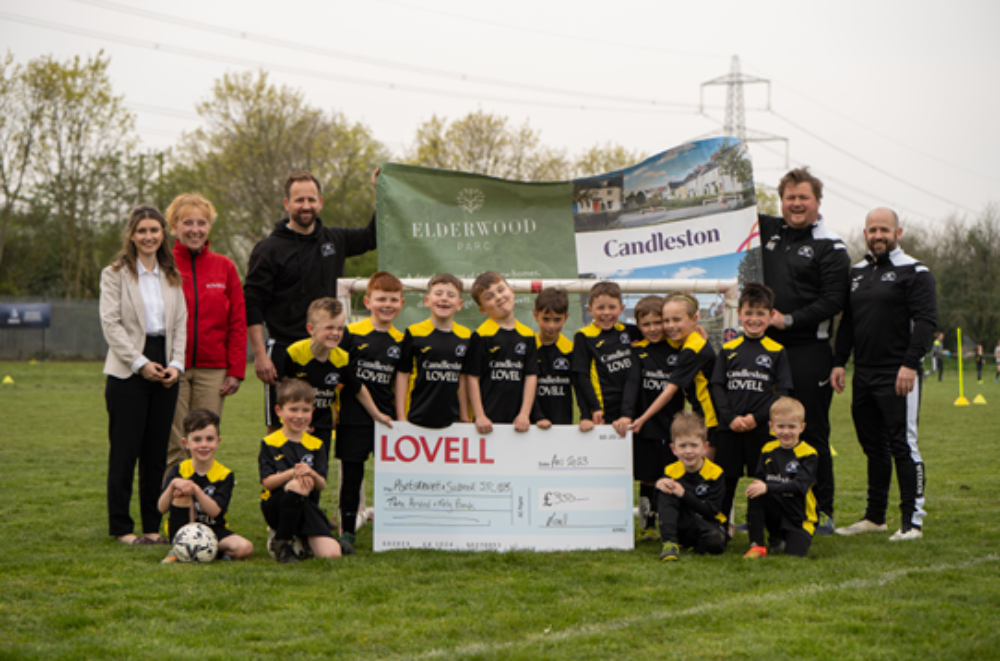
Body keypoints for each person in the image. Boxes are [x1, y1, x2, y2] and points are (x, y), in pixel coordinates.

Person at [244, 170, 377, 434]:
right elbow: (252, 303)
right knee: (280, 427)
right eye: (299, 200)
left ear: (321, 202)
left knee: (320, 425)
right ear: (286, 204)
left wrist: (380, 191)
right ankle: (279, 476)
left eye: (311, 200)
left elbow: (372, 236)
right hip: (285, 350)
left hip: (324, 350)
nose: (306, 206)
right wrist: (260, 355)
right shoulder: (268, 249)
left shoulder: (335, 239)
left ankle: (312, 476)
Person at [831, 207, 935, 542]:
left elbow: (925, 323)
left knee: (904, 444)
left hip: (899, 373)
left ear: (898, 233)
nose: (878, 235)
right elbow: (847, 324)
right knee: (873, 447)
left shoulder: (916, 271)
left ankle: (912, 522)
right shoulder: (857, 272)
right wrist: (838, 361)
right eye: (872, 230)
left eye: (884, 230)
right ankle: (875, 517)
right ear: (865, 234)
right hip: (863, 374)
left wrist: (909, 364)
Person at [759, 167, 851, 535]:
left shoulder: (831, 245)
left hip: (809, 350)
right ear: (780, 201)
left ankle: (823, 510)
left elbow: (834, 301)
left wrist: (790, 320)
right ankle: (774, 506)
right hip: (764, 350)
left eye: (803, 198)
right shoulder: (767, 231)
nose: (796, 204)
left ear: (817, 201)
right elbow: (734, 206)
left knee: (811, 432)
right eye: (789, 197)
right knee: (770, 430)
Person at [100, 205, 186, 546]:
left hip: (166, 364)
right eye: (142, 231)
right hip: (127, 370)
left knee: (156, 454)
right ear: (131, 235)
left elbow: (180, 323)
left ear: (163, 234)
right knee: (125, 452)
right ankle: (122, 528)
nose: (148, 236)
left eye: (154, 230)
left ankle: (153, 526)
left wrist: (175, 365)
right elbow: (111, 324)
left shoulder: (171, 272)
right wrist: (140, 363)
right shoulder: (115, 273)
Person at [164, 193, 246, 476]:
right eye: (187, 222)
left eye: (202, 223)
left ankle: (202, 508)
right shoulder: (162, 265)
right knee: (175, 443)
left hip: (214, 371)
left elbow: (237, 321)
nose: (195, 229)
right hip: (173, 366)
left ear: (209, 226)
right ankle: (173, 512)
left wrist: (235, 370)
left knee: (202, 443)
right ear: (174, 226)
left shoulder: (225, 267)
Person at [710, 283, 793, 532]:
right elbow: (717, 386)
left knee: (764, 480)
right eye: (749, 313)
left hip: (759, 430)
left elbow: (784, 392)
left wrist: (756, 418)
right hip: (730, 429)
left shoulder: (777, 351)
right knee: (726, 481)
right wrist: (731, 417)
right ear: (740, 314)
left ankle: (769, 530)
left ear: (770, 316)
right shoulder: (728, 349)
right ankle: (721, 527)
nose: (754, 319)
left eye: (760, 314)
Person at [338, 271, 405, 550]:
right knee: (352, 476)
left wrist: (401, 416)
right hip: (354, 418)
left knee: (390, 475)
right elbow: (342, 375)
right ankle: (347, 530)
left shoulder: (402, 340)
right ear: (367, 301)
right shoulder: (351, 334)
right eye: (381, 299)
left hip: (386, 419)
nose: (387, 305)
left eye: (393, 300)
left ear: (401, 303)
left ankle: (393, 526)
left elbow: (401, 379)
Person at [282, 298, 391, 454]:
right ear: (310, 328)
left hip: (323, 425)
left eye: (340, 328)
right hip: (294, 424)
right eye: (329, 328)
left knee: (319, 473)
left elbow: (357, 387)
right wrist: (293, 422)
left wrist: (377, 414)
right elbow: (282, 392)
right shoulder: (294, 353)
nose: (335, 333)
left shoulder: (342, 358)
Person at [259, 378, 345, 563]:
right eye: (293, 409)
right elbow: (267, 482)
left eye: (305, 410)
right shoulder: (270, 442)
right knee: (298, 485)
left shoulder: (316, 445)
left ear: (312, 412)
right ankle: (282, 541)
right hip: (276, 508)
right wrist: (292, 473)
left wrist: (311, 473)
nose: (300, 415)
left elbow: (321, 485)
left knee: (332, 554)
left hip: (307, 507)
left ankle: (315, 537)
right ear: (278, 411)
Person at [617, 295, 680, 541]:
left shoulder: (679, 347)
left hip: (672, 425)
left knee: (669, 475)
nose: (653, 329)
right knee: (647, 476)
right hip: (645, 424)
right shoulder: (638, 350)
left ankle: (668, 522)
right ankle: (647, 525)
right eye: (646, 324)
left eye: (658, 322)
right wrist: (627, 414)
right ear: (638, 326)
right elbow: (632, 383)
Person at [159, 409, 254, 562]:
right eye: (197, 439)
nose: (204, 445)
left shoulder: (224, 474)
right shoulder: (179, 470)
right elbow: (161, 508)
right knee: (183, 492)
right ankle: (178, 550)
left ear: (218, 441)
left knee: (245, 548)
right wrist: (172, 486)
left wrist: (196, 489)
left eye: (209, 439)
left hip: (213, 529)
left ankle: (208, 552)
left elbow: (216, 512)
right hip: (183, 530)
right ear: (186, 443)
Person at [629, 293, 718, 447]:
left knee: (706, 467)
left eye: (676, 319)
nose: (670, 325)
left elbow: (669, 392)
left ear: (694, 318)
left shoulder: (691, 350)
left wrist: (642, 419)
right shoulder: (685, 341)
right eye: (667, 320)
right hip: (704, 413)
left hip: (711, 416)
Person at [744, 397, 818, 558]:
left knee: (794, 554)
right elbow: (760, 478)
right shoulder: (767, 449)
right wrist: (758, 485)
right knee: (755, 492)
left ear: (802, 427)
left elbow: (799, 487)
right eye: (781, 426)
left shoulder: (809, 454)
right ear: (771, 426)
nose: (786, 432)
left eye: (792, 427)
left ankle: (788, 537)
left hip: (799, 516)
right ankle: (758, 545)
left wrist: (768, 487)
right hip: (776, 509)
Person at [395, 274, 472, 428]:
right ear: (427, 301)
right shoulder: (414, 332)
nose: (444, 298)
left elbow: (463, 378)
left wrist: (464, 415)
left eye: (451, 295)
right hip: (416, 416)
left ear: (459, 304)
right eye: (438, 294)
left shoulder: (467, 336)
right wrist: (401, 416)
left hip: (452, 419)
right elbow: (403, 374)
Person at [466, 272, 538, 433]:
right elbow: (472, 377)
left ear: (511, 291)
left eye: (501, 290)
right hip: (488, 422)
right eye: (489, 296)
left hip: (519, 422)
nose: (498, 297)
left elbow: (530, 376)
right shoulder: (481, 335)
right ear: (482, 309)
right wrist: (480, 415)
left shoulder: (528, 335)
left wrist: (524, 414)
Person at [655, 411, 728, 562]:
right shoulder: (670, 471)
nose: (688, 451)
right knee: (666, 489)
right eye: (682, 446)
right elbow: (659, 505)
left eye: (694, 445)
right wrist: (658, 485)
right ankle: (670, 543)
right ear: (673, 449)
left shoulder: (715, 473)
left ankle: (691, 545)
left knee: (715, 542)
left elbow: (710, 511)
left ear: (705, 447)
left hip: (705, 523)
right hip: (680, 523)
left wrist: (683, 494)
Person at [571, 281, 636, 433]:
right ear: (590, 310)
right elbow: (581, 377)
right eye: (600, 308)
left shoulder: (628, 332)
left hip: (629, 409)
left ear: (621, 309)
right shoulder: (584, 336)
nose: (606, 312)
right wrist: (589, 412)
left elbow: (657, 334)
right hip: (602, 413)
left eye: (612, 307)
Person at [530, 287, 575, 428]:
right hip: (530, 425)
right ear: (536, 315)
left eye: (557, 320)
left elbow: (580, 387)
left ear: (566, 318)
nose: (551, 326)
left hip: (562, 424)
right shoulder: (527, 347)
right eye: (546, 319)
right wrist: (538, 417)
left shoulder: (571, 349)